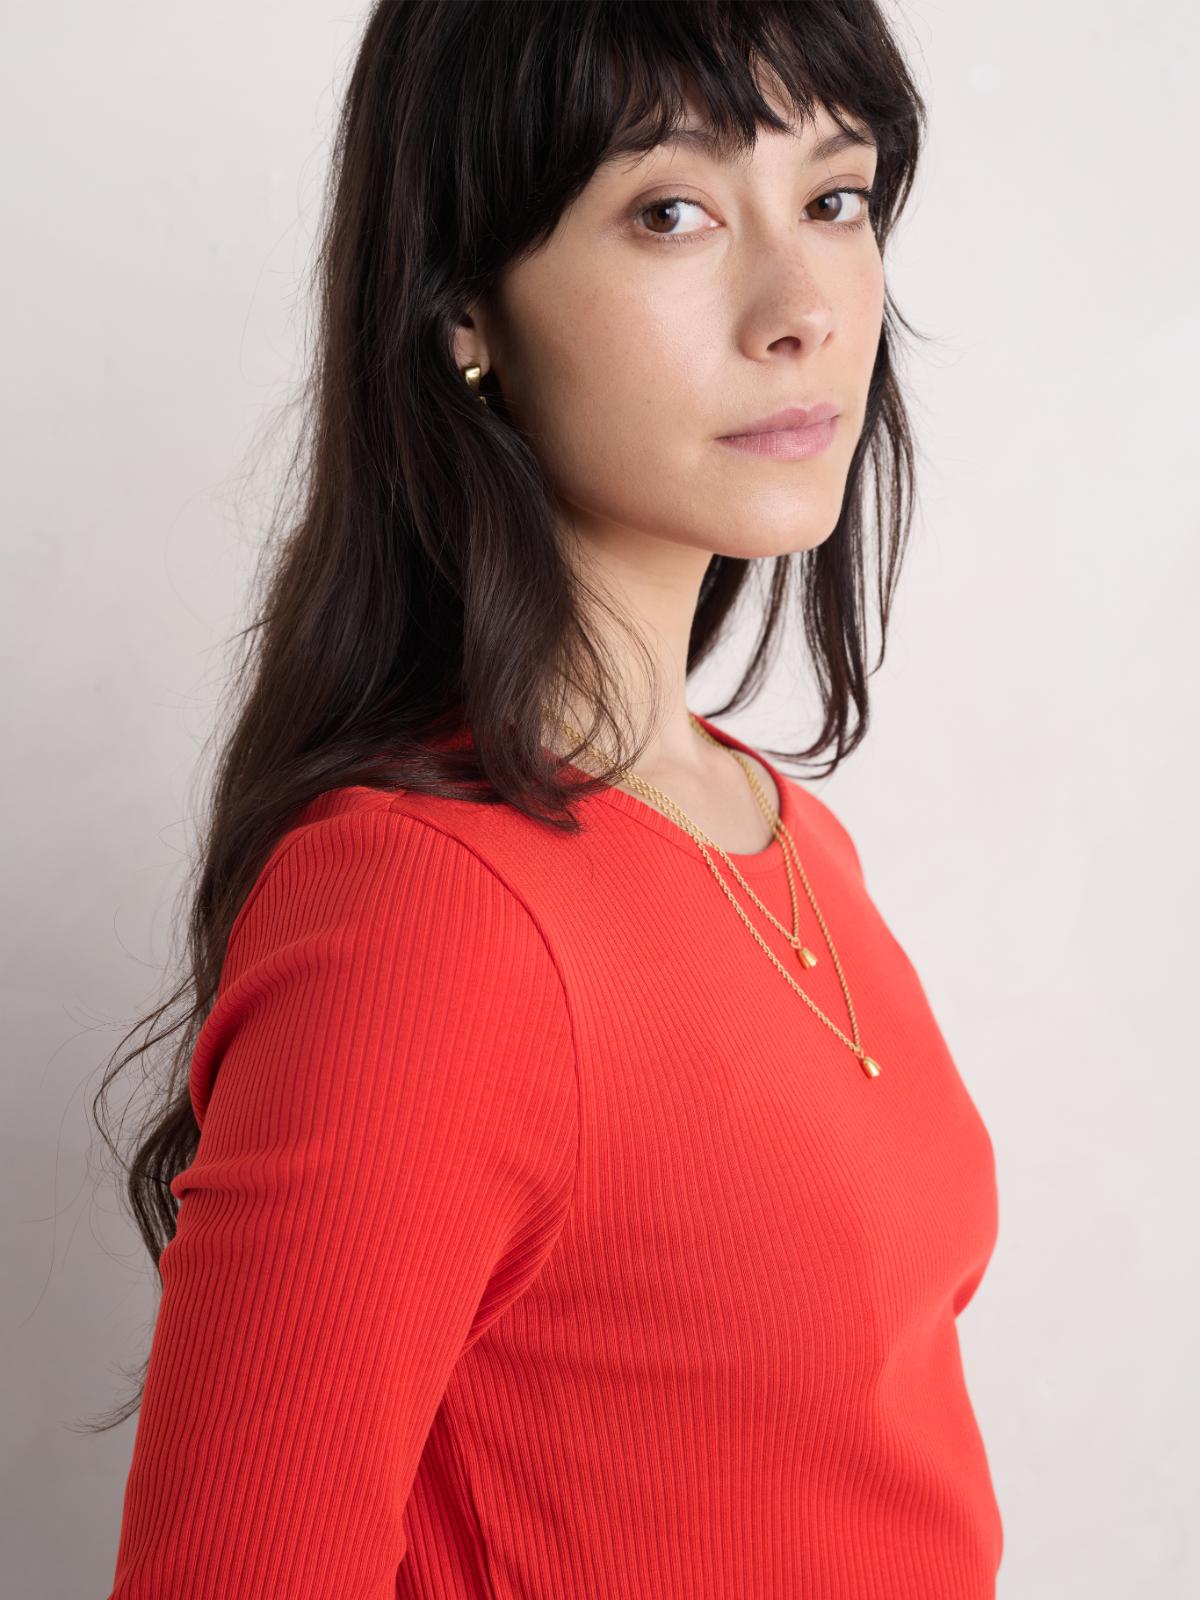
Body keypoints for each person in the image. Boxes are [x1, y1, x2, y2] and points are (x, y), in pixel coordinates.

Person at [94, 3, 1004, 1595]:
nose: (801, 307)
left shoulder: (780, 836)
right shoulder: (427, 914)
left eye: (835, 197)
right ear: (466, 305)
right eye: (672, 212)